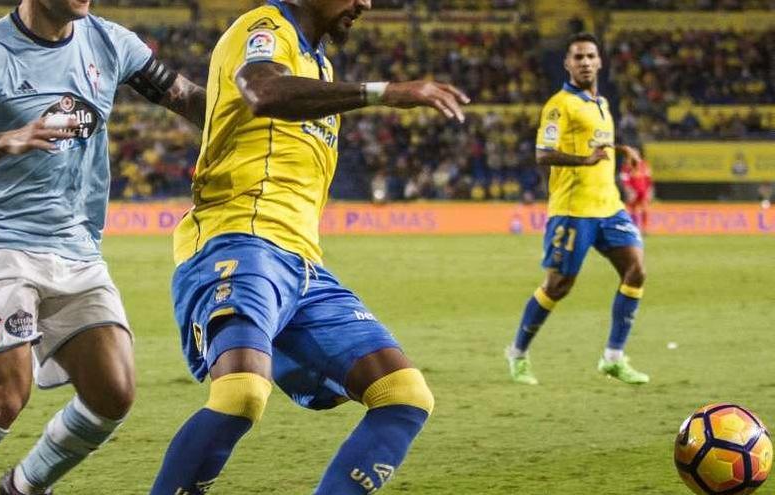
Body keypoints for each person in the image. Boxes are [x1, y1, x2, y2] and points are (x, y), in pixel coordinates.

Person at [151, 0, 469, 493]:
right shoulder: (266, 27)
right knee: (240, 395)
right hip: (239, 237)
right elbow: (261, 91)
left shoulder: (320, 64)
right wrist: (383, 93)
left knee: (404, 394)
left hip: (302, 265)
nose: (364, 3)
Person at [0, 0, 206, 493]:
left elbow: (188, 98)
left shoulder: (111, 41)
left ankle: (24, 486)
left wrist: (259, 107)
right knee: (3, 396)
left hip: (76, 246)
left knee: (113, 393)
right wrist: (8, 139)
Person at [504, 32, 649, 386]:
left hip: (609, 206)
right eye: (578, 57)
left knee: (636, 271)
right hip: (573, 210)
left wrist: (620, 147)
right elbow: (543, 153)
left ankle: (613, 357)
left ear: (600, 62)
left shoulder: (600, 103)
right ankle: (518, 352)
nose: (585, 62)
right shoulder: (559, 105)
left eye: (590, 56)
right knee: (558, 285)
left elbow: (594, 141)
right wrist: (584, 160)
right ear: (567, 64)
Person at [620, 157, 653, 233]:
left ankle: (645, 229)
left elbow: (648, 179)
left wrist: (649, 190)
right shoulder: (626, 166)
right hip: (632, 191)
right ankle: (634, 227)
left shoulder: (644, 165)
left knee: (645, 208)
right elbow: (625, 180)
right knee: (632, 209)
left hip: (643, 191)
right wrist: (629, 190)